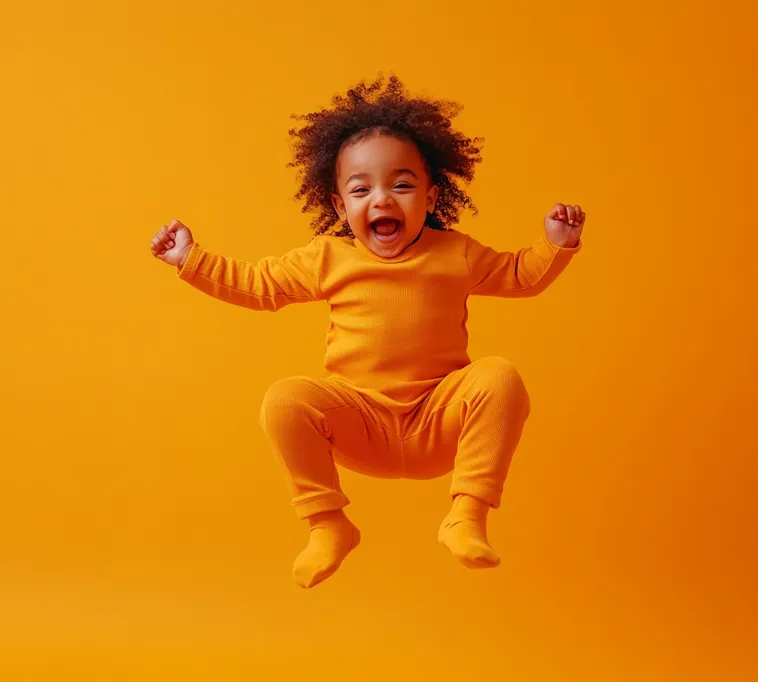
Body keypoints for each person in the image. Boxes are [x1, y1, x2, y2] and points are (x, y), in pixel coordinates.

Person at [150, 75, 586, 588]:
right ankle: (327, 523)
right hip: (358, 424)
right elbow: (259, 285)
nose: (382, 199)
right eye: (361, 189)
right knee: (284, 399)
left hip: (438, 421)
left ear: (431, 195)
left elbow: (518, 275)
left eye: (402, 185)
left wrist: (556, 244)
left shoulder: (457, 253)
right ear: (339, 207)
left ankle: (466, 514)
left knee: (500, 377)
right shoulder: (328, 257)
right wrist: (189, 259)